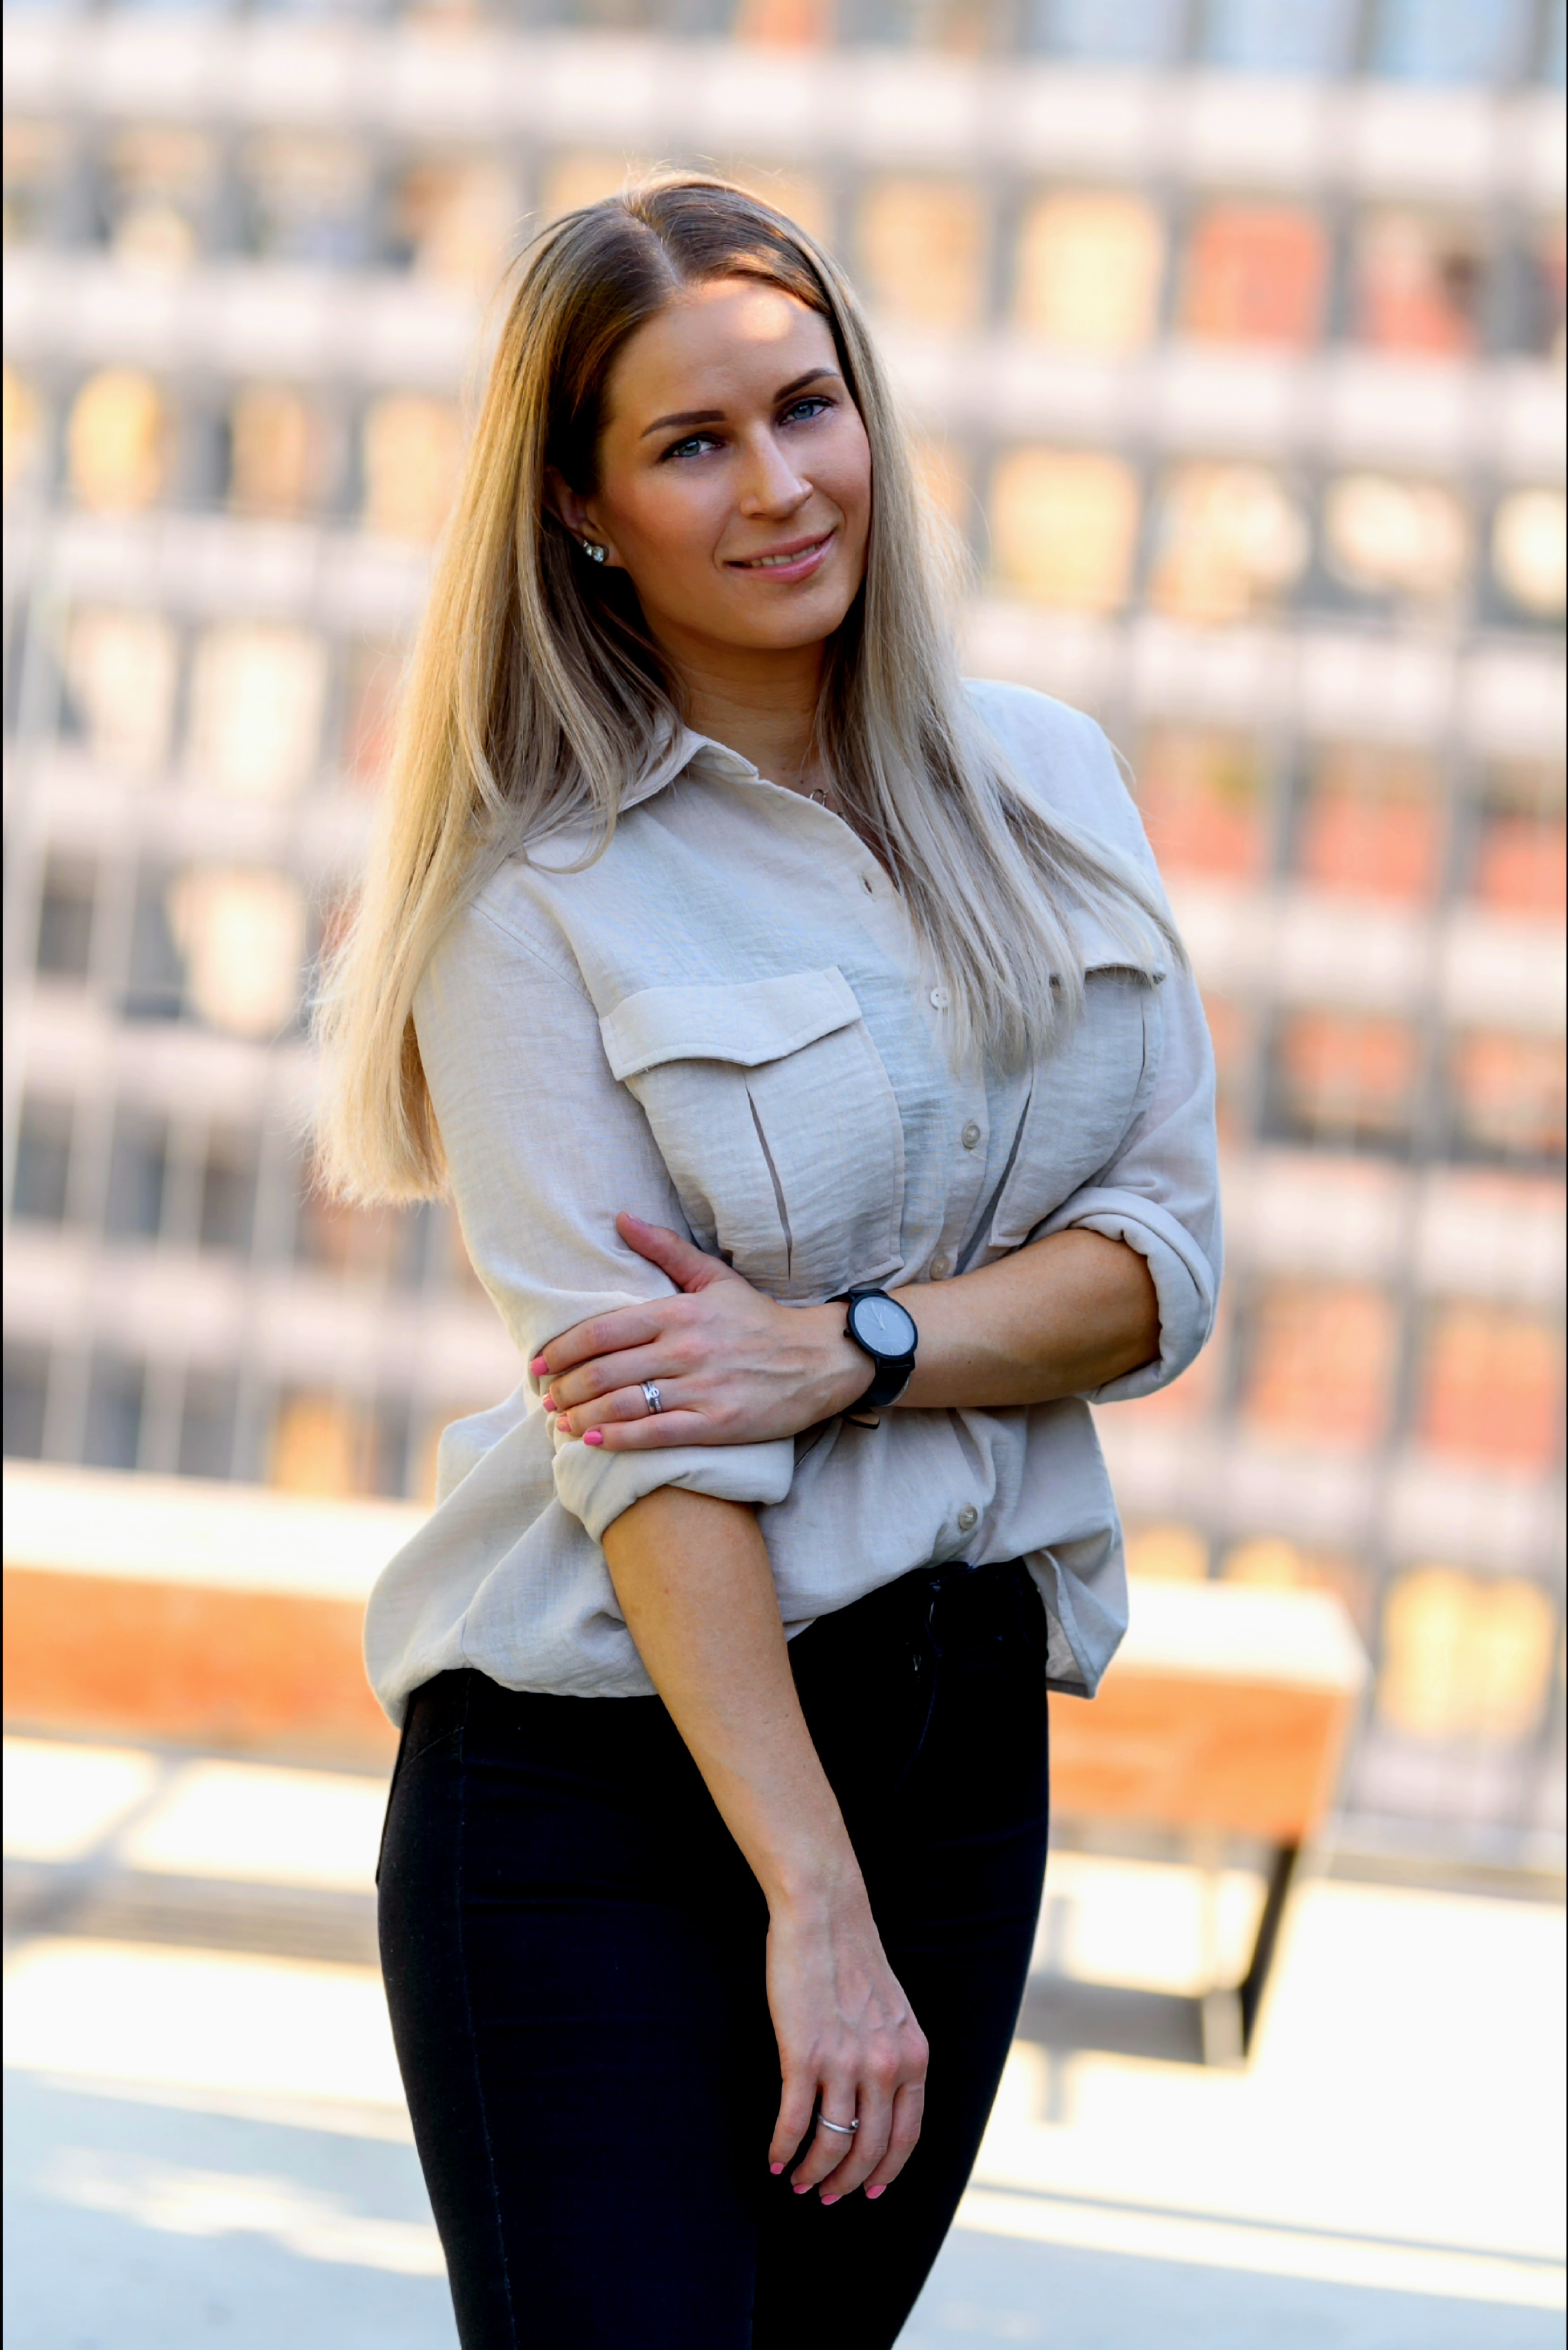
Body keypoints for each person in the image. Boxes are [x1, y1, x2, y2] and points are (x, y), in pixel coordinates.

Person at [315, 176, 1220, 2350]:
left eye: (806, 407)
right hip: (603, 1779)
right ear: (583, 508)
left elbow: (1158, 1268)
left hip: (959, 1745)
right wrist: (809, 1898)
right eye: (690, 442)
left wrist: (846, 1348)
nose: (779, 484)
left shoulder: (1050, 782)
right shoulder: (531, 896)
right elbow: (644, 1439)